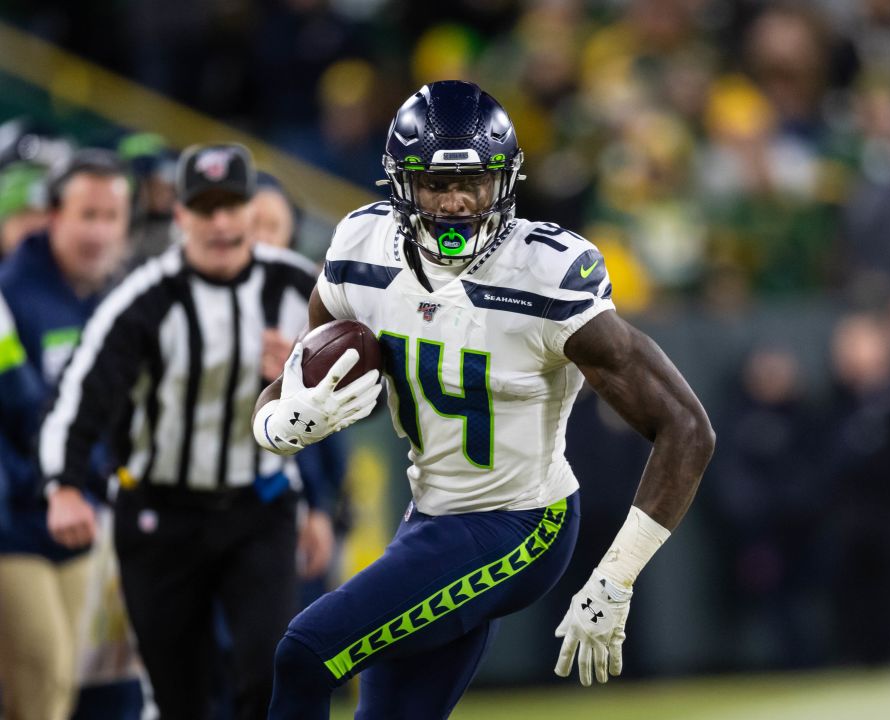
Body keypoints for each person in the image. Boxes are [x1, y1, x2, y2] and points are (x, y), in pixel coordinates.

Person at [256, 80, 715, 718]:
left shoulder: (545, 273)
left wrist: (616, 577)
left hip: (521, 524)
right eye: (436, 185)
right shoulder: (360, 249)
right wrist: (277, 425)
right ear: (401, 185)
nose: (455, 203)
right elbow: (293, 375)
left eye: (473, 181)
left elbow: (686, 426)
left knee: (304, 655)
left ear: (504, 181)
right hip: (429, 518)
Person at [39, 143, 333, 719]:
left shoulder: (300, 290)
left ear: (253, 210)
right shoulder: (143, 299)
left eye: (232, 206)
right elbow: (80, 398)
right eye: (205, 208)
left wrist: (304, 383)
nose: (221, 223)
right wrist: (65, 485)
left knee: (268, 675)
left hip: (261, 508)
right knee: (181, 697)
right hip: (159, 516)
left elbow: (367, 394)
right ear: (180, 217)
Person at [0, 150, 132, 720]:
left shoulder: (118, 300)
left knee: (62, 690)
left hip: (82, 518)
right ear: (53, 215)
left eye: (111, 217)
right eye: (88, 215)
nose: (99, 232)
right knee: (44, 683)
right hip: (15, 522)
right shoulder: (8, 295)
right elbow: (23, 410)